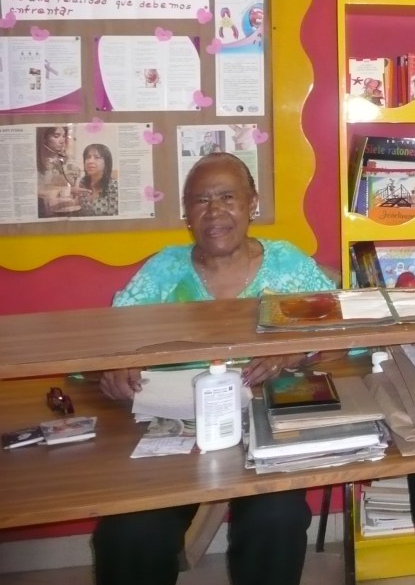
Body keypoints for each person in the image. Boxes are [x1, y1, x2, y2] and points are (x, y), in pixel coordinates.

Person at [92, 152, 336, 585]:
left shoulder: (289, 266)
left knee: (276, 516)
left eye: (227, 196)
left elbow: (340, 332)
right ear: (186, 213)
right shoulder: (164, 269)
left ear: (252, 204)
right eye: (201, 200)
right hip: (173, 427)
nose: (215, 211)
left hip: (263, 421)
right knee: (130, 531)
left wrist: (292, 353)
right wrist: (115, 367)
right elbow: (111, 337)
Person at [37, 124, 81, 217]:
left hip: (63, 210)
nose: (62, 141)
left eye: (64, 136)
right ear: (44, 139)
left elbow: (72, 184)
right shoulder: (38, 161)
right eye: (56, 136)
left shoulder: (64, 160)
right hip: (44, 212)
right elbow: (37, 190)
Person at [75, 142, 119, 216]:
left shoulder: (113, 185)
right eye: (88, 157)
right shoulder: (83, 182)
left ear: (106, 163)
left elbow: (113, 217)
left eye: (97, 157)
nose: (90, 161)